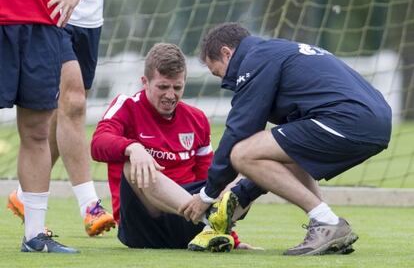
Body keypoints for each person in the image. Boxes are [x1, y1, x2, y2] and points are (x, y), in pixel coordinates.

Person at [180, 22, 392, 255]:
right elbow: (282, 151)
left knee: (241, 153)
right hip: (375, 120)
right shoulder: (279, 50)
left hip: (348, 120)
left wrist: (208, 194)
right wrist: (242, 193)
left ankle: (327, 223)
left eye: (218, 72)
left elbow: (239, 131)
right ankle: (326, 226)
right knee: (287, 148)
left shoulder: (255, 59)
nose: (225, 82)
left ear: (227, 53)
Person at [91, 43, 259, 251]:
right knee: (132, 166)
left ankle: (213, 226)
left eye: (177, 87)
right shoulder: (127, 106)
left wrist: (234, 238)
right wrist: (133, 148)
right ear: (145, 82)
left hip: (189, 223)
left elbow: (209, 181)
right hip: (144, 226)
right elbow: (98, 143)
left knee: (252, 164)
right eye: (163, 87)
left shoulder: (197, 119)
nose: (170, 95)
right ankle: (212, 221)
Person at [7, 0, 116, 238]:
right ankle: (89, 204)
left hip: (89, 16)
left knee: (58, 114)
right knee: (75, 102)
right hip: (47, 8)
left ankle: (25, 195)